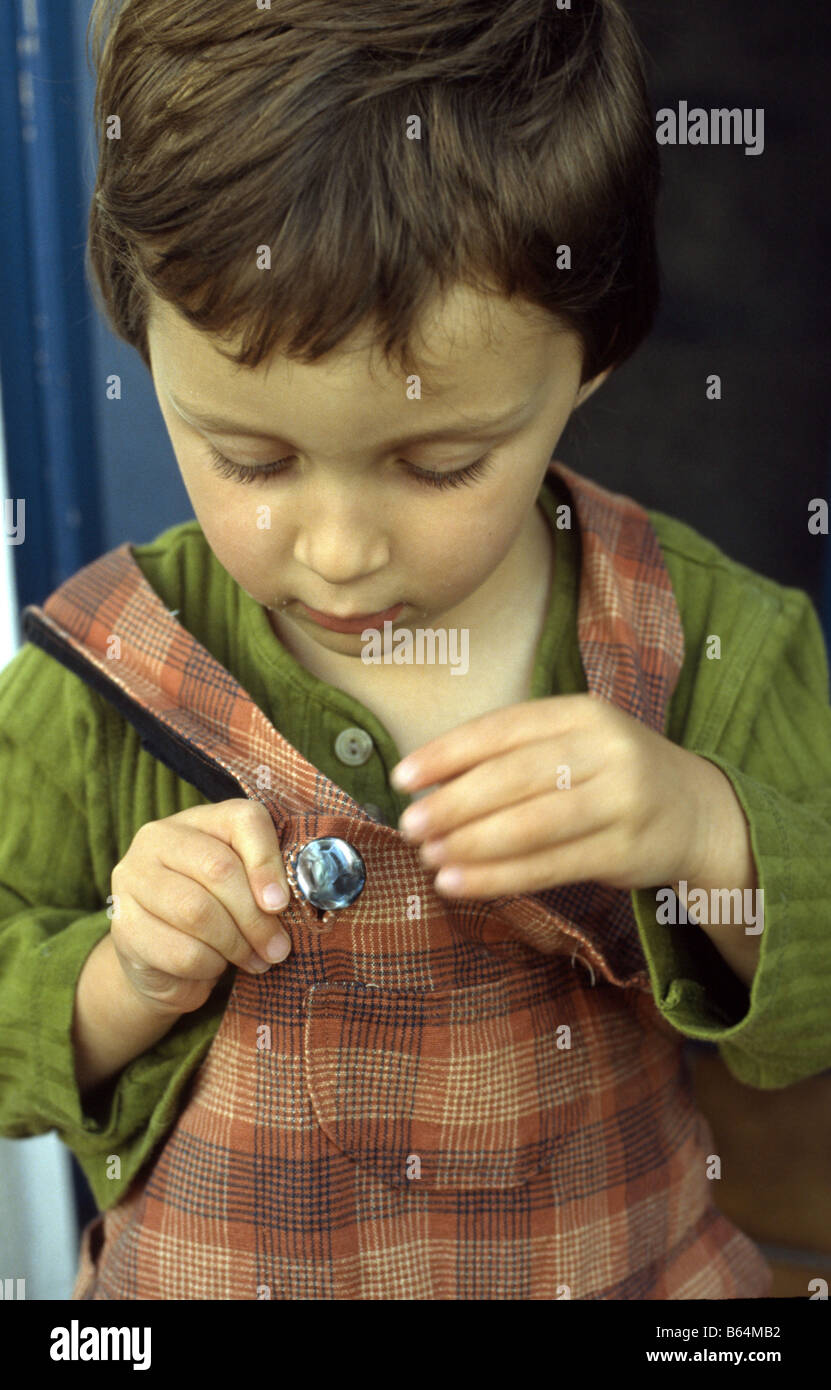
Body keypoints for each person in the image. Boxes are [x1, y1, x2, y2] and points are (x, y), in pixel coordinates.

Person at [1, 0, 829, 1300]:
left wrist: (706, 834)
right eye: (248, 456)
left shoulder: (714, 636)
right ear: (137, 331)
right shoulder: (99, 679)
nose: (336, 549)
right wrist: (122, 975)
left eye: (440, 463)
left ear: (593, 358)